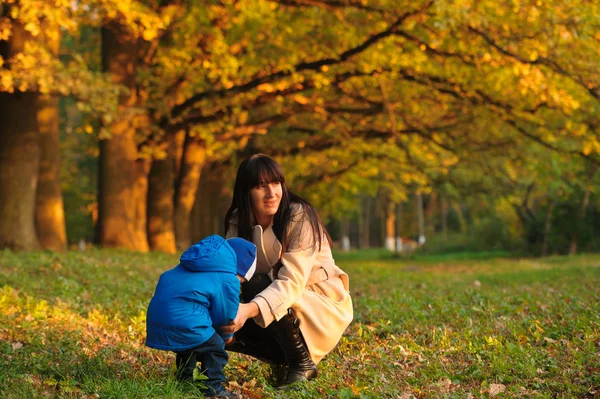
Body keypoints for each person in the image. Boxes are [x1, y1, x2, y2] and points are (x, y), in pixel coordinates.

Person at [222, 153, 353, 388]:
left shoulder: (298, 215)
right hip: (275, 303)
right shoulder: (238, 220)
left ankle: (301, 363)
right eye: (261, 186)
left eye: (276, 183)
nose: (272, 193)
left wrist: (247, 310)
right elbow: (226, 275)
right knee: (225, 300)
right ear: (246, 191)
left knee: (259, 285)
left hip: (318, 306)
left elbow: (291, 284)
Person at [145, 235, 257, 399]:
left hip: (157, 320)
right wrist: (227, 336)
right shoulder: (227, 278)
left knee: (189, 345)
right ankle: (212, 388)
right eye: (241, 281)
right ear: (240, 270)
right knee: (215, 347)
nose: (239, 284)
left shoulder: (193, 264)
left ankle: (185, 380)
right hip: (186, 322)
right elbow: (226, 317)